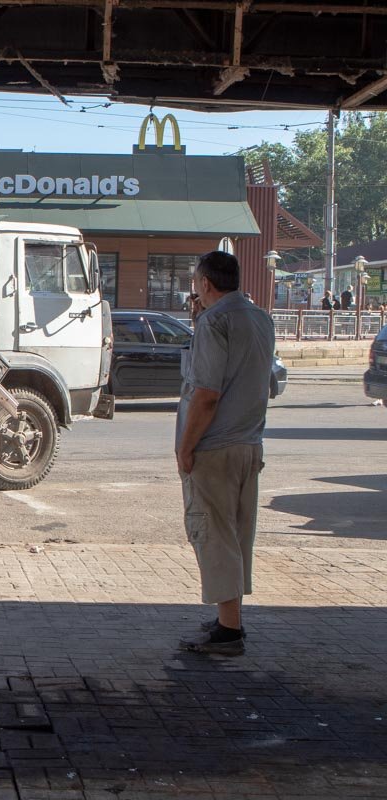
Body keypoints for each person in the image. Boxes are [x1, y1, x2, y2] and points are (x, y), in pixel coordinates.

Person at [175, 251, 274, 656]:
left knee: (214, 535)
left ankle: (229, 631)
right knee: (236, 533)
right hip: (249, 443)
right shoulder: (259, 317)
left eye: (196, 282)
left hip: (214, 447)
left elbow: (206, 396)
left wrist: (186, 447)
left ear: (205, 283)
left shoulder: (215, 323)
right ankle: (229, 617)